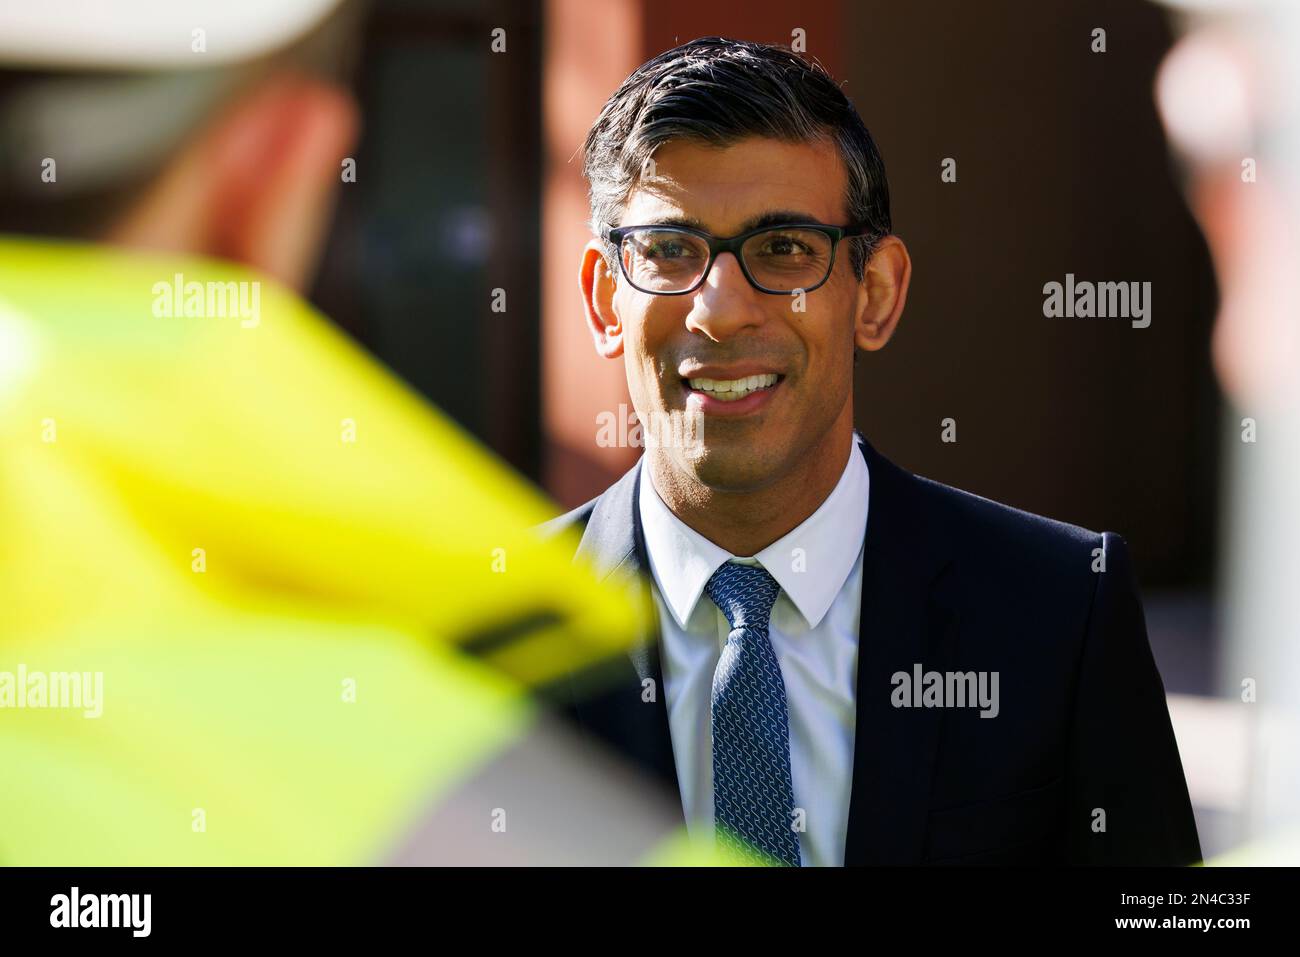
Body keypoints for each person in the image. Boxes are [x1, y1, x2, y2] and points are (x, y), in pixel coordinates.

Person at [542, 36, 1201, 866]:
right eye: (671, 251)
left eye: (784, 249)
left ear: (876, 294)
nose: (721, 310)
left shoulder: (1061, 612)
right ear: (606, 303)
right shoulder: (479, 644)